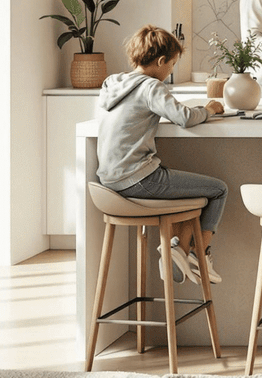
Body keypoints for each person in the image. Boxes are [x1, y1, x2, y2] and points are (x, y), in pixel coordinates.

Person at [97, 25, 227, 284]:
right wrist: (210, 109)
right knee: (218, 189)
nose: (171, 71)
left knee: (192, 191)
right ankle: (197, 256)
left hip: (108, 182)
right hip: (137, 178)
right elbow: (185, 118)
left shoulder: (114, 83)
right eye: (172, 64)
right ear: (160, 61)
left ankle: (178, 250)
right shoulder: (150, 87)